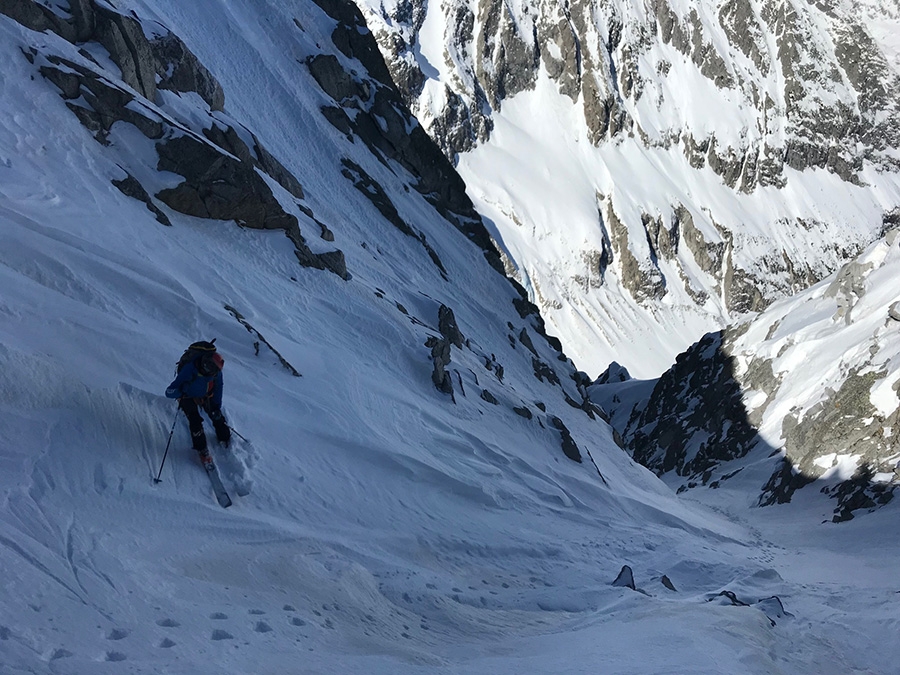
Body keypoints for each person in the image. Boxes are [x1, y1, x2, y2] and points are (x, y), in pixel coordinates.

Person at [165, 340, 231, 466]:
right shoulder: (190, 368)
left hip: (205, 394)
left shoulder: (216, 373)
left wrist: (216, 407)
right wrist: (180, 391)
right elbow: (169, 392)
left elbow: (218, 389)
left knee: (217, 416)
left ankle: (225, 437)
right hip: (187, 396)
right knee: (195, 420)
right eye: (207, 366)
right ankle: (202, 449)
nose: (208, 370)